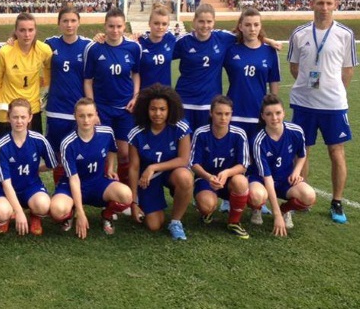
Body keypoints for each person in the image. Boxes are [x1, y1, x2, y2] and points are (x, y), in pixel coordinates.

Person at [288, 0, 357, 223]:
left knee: (336, 152)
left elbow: (348, 70)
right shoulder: (299, 33)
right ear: (312, 4)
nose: (324, 7)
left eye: (328, 3)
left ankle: (336, 202)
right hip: (304, 103)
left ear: (336, 5)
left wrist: (334, 91)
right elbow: (294, 67)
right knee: (302, 151)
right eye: (320, 3)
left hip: (333, 105)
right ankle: (302, 197)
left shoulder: (345, 34)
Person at [221, 7, 280, 215]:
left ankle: (258, 198)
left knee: (256, 156)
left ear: (260, 26)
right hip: (235, 112)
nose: (252, 28)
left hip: (258, 114)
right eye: (247, 24)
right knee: (233, 155)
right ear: (240, 26)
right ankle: (229, 197)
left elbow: (274, 86)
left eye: (256, 24)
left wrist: (272, 114)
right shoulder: (231, 49)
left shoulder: (269, 51)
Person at [50, 98, 133, 238]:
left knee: (126, 195)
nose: (86, 120)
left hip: (98, 183)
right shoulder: (68, 143)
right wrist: (81, 213)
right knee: (57, 210)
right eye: (81, 116)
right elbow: (74, 179)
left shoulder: (107, 132)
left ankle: (106, 215)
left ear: (96, 114)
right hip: (72, 185)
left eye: (90, 115)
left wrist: (111, 168)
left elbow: (112, 149)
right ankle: (72, 212)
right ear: (75, 116)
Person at [127, 84, 193, 240]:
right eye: (153, 109)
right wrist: (134, 202)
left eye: (162, 109)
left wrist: (153, 167)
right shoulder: (136, 133)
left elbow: (184, 159)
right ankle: (151, 203)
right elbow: (134, 168)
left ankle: (176, 221)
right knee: (154, 225)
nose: (157, 113)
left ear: (170, 109)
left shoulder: (180, 127)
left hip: (171, 172)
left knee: (185, 178)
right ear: (145, 109)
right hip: (147, 179)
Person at [84, 7, 141, 186]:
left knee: (124, 152)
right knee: (104, 150)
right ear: (105, 26)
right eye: (111, 26)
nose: (115, 30)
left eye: (119, 26)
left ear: (124, 26)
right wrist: (92, 109)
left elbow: (136, 74)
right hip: (102, 107)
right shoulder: (94, 48)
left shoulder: (133, 47)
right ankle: (105, 191)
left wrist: (136, 96)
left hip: (125, 108)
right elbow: (87, 80)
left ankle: (123, 193)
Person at [248, 94, 316, 236]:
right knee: (256, 196)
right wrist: (276, 216)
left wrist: (296, 171)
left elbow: (302, 156)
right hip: (262, 180)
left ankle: (285, 209)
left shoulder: (296, 131)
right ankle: (257, 208)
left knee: (309, 196)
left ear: (284, 113)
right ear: (263, 116)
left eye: (278, 113)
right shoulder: (258, 140)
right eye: (269, 114)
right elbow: (267, 178)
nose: (274, 118)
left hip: (285, 180)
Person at [0, 98, 57, 236]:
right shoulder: (1, 145)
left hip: (31, 187)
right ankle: (7, 217)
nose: (19, 121)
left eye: (23, 117)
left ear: (30, 118)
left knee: (43, 205)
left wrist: (37, 169)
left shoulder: (39, 140)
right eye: (15, 117)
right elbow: (6, 184)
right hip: (5, 190)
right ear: (8, 118)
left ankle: (35, 215)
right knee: (0, 212)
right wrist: (19, 212)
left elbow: (52, 165)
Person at [190, 96, 251, 239]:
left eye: (227, 114)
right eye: (219, 113)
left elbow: (243, 165)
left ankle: (234, 221)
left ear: (231, 114)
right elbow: (193, 163)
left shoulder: (239, 134)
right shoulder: (201, 133)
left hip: (229, 181)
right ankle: (207, 212)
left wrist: (227, 172)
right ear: (211, 113)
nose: (223, 118)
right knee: (207, 205)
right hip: (206, 179)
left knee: (241, 181)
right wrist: (208, 177)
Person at [44, 7, 91, 185]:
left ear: (79, 22)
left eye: (72, 20)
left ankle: (83, 190)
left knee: (80, 152)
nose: (69, 24)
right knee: (57, 154)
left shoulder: (87, 46)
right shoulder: (50, 43)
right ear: (59, 23)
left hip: (79, 111)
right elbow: (28, 47)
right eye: (65, 21)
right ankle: (60, 192)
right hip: (56, 109)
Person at [173, 4, 237, 132]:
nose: (205, 25)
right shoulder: (183, 41)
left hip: (210, 103)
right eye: (201, 21)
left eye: (209, 22)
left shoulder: (222, 38)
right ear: (194, 21)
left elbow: (247, 36)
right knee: (184, 143)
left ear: (214, 22)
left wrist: (268, 41)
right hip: (185, 101)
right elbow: (162, 50)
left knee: (205, 144)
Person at [0, 12, 52, 137]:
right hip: (7, 111)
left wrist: (47, 90)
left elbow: (50, 69)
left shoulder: (43, 50)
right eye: (22, 30)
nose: (27, 34)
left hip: (32, 110)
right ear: (16, 31)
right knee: (9, 153)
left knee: (33, 152)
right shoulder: (5, 52)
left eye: (30, 30)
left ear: (35, 31)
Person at [138, 4, 176, 89]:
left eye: (164, 24)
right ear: (149, 23)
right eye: (156, 23)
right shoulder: (140, 42)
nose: (160, 27)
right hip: (145, 94)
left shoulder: (170, 39)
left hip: (165, 94)